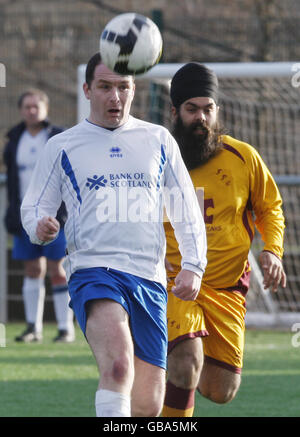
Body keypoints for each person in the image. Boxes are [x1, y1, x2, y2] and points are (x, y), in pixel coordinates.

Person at [20, 53, 207, 417]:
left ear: (133, 89)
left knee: (147, 406)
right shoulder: (62, 146)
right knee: (118, 365)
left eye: (123, 87)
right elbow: (33, 208)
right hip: (94, 270)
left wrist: (194, 265)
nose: (115, 97)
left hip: (149, 279)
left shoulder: (159, 140)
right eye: (105, 87)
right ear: (87, 89)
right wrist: (40, 227)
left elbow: (185, 207)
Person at [162, 62, 286, 417]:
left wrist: (273, 251)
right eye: (191, 109)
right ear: (174, 111)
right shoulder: (157, 157)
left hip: (227, 287)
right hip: (174, 284)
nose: (200, 117)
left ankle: (162, 389)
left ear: (217, 111)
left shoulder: (243, 157)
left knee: (220, 391)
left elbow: (270, 208)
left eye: (208, 109)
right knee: (187, 360)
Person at [3, 88, 75, 343]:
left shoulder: (57, 137)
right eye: (27, 107)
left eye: (36, 106)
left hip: (56, 216)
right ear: (21, 110)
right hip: (25, 217)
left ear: (45, 109)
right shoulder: (14, 141)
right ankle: (33, 327)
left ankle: (65, 328)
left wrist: (64, 213)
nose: (32, 111)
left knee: (58, 269)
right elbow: (12, 182)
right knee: (32, 269)